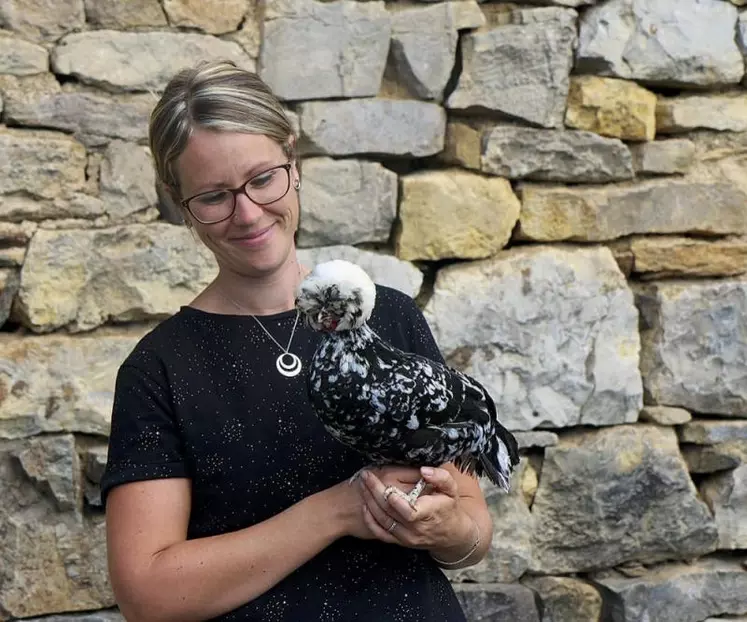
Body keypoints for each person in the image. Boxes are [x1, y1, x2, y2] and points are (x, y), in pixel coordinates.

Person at [101, 59, 495, 622]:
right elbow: (147, 595)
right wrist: (337, 511)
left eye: (263, 179)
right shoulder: (159, 369)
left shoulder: (392, 316)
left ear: (294, 158)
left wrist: (449, 528)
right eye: (214, 197)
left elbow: (474, 532)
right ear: (179, 202)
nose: (248, 213)